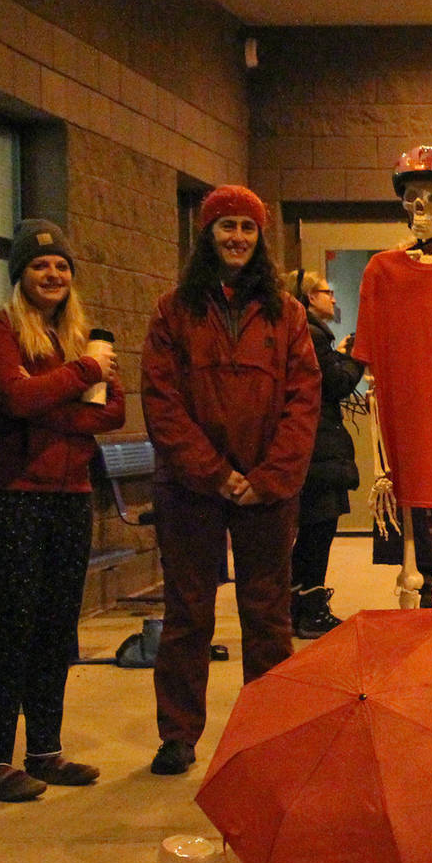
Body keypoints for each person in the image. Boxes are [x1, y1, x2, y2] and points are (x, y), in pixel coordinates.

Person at [142, 186, 320, 776]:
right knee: (188, 613)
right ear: (207, 235)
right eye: (227, 227)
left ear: (260, 236)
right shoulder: (172, 311)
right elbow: (162, 403)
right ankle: (178, 736)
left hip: (265, 492)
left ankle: (266, 731)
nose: (237, 237)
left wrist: (266, 478)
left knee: (267, 615)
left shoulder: (287, 314)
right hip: (192, 489)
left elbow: (303, 402)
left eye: (247, 227)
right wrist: (215, 474)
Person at [0, 218, 125, 800]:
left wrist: (46, 401)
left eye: (61, 265)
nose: (52, 273)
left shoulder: (84, 332)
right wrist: (82, 374)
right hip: (12, 496)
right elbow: (12, 396)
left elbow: (113, 413)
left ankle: (45, 751)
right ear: (20, 277)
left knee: (58, 628)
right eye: (40, 265)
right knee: (11, 625)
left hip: (70, 498)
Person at [291, 271, 364, 639]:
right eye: (326, 292)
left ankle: (297, 606)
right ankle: (310, 610)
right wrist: (355, 357)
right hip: (318, 448)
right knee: (318, 530)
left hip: (312, 446)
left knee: (311, 531)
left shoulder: (306, 334)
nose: (333, 299)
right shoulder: (313, 334)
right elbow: (335, 384)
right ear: (307, 297)